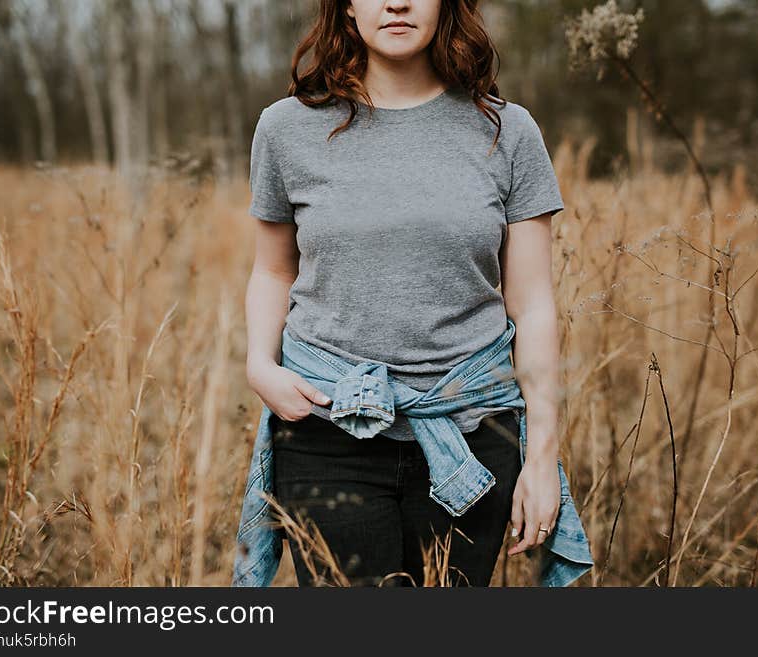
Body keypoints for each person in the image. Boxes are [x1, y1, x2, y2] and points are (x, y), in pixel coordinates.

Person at [240, 0, 580, 587]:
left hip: (472, 430)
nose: (396, 2)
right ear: (347, 7)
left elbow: (533, 306)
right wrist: (258, 366)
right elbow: (272, 271)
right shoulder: (286, 128)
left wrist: (543, 454)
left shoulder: (508, 129)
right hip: (327, 428)